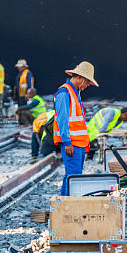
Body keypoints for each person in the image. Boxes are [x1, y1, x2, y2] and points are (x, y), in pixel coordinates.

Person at [54, 61, 98, 194]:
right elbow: (62, 120)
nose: (87, 86)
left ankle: (65, 202)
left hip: (78, 143)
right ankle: (67, 203)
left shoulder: (74, 92)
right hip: (72, 143)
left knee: (73, 177)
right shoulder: (64, 93)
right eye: (87, 82)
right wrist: (67, 142)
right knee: (73, 177)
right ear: (80, 78)